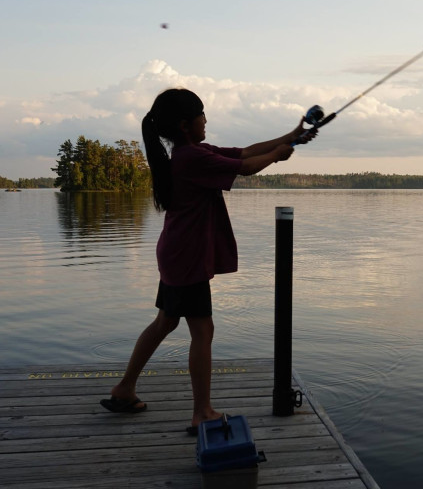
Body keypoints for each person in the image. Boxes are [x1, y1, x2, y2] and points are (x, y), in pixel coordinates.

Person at [100, 88, 316, 434]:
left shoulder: (192, 153)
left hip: (177, 254)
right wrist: (278, 155)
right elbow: (246, 167)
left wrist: (292, 137)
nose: (206, 120)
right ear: (185, 125)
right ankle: (202, 412)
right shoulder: (191, 159)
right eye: (202, 114)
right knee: (202, 330)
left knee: (164, 323)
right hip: (187, 258)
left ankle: (124, 389)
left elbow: (245, 152)